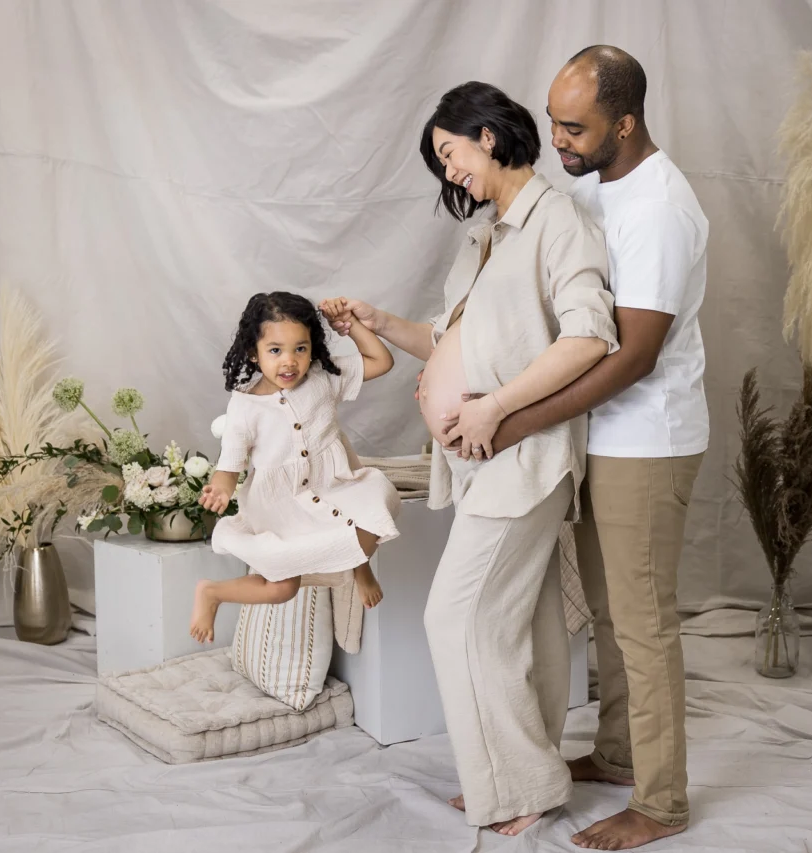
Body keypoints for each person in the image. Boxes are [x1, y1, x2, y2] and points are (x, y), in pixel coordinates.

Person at [326, 81, 619, 835]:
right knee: (525, 624)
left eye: (450, 155)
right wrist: (382, 322)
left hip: (527, 458)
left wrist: (494, 407)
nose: (449, 174)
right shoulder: (488, 235)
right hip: (485, 464)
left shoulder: (559, 222)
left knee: (457, 617)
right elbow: (455, 341)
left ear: (487, 135)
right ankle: (523, 773)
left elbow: (590, 338)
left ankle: (522, 783)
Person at [450, 46, 710, 850]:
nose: (558, 141)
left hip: (648, 437)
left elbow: (631, 355)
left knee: (642, 621)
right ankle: (620, 749)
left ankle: (663, 802)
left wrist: (515, 417)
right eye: (555, 120)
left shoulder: (661, 208)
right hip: (602, 434)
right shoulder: (602, 186)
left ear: (624, 124)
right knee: (605, 612)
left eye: (575, 128)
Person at [188, 291, 401, 644]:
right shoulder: (245, 407)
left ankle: (358, 567)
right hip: (282, 505)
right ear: (253, 353)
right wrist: (221, 489)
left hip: (332, 485)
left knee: (373, 511)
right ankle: (212, 592)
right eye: (275, 350)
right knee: (282, 588)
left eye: (300, 349)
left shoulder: (323, 375)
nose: (289, 362)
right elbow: (230, 465)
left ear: (312, 348)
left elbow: (381, 360)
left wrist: (347, 325)